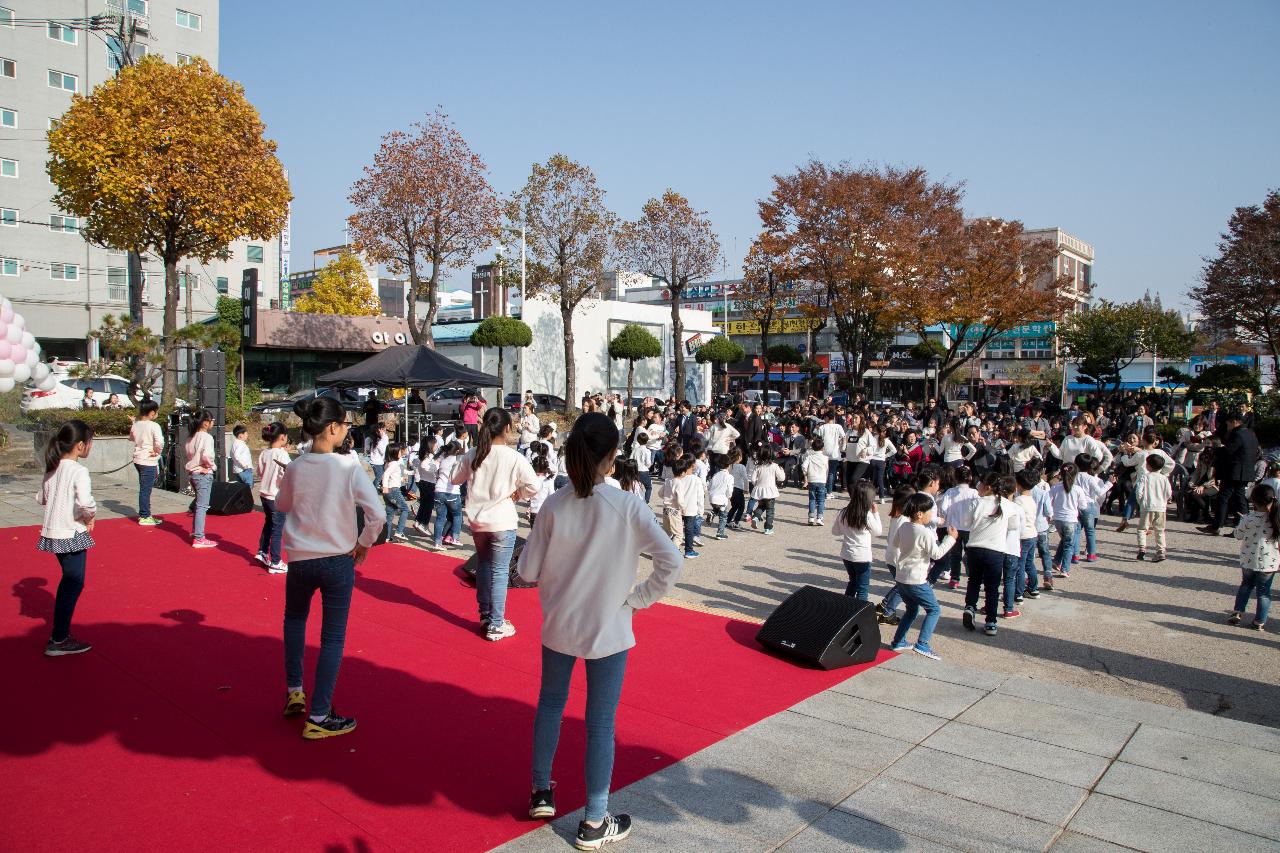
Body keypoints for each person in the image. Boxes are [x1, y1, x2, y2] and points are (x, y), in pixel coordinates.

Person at [518, 413, 682, 849]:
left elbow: (527, 569)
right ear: (611, 458)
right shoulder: (627, 506)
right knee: (600, 722)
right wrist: (638, 598)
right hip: (609, 626)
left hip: (559, 623)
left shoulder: (554, 504)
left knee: (550, 705)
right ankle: (594, 818)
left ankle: (540, 790)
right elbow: (672, 561)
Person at [276, 396, 385, 739]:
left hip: (300, 558)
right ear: (334, 428)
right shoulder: (348, 467)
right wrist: (364, 543)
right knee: (332, 637)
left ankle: (295, 688)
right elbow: (377, 514)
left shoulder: (295, 466)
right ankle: (320, 714)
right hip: (338, 559)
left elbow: (282, 504)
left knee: (294, 620)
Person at [453, 407, 541, 641]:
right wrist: (517, 494)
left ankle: (485, 615)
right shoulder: (513, 457)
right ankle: (496, 623)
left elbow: (454, 478)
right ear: (508, 429)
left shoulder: (474, 453)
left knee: (483, 565)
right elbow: (535, 486)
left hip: (478, 521)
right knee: (500, 571)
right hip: (502, 521)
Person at [36, 420, 97, 657]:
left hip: (53, 531)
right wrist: (89, 515)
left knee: (70, 580)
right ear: (81, 446)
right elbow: (85, 502)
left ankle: (59, 635)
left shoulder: (53, 467)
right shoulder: (78, 471)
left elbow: (41, 497)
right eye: (90, 443)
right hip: (71, 531)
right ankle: (59, 638)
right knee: (73, 582)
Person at [887, 493, 957, 659]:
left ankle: (899, 641)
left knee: (912, 609)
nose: (931, 516)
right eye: (930, 512)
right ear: (920, 513)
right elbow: (937, 554)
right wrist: (950, 538)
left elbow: (896, 543)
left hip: (902, 578)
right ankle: (922, 644)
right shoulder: (924, 532)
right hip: (916, 579)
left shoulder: (904, 526)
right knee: (934, 609)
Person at [955, 473, 1017, 636]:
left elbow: (966, 523)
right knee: (992, 588)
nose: (978, 487)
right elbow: (1014, 525)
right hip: (995, 551)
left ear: (988, 487)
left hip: (974, 548)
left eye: (980, 484)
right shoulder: (1006, 504)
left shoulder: (976, 502)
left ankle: (970, 607)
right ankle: (990, 621)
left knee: (974, 580)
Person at [1200, 410, 1261, 536]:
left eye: (1228, 423)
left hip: (1234, 471)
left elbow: (1229, 451)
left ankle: (1216, 525)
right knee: (1241, 499)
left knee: (1223, 498)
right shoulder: (1251, 433)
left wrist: (1217, 449)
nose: (1227, 426)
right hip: (1246, 471)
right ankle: (1242, 527)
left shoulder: (1237, 434)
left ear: (1234, 422)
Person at [1227, 484, 1279, 631]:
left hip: (1248, 559)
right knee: (1264, 592)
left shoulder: (1248, 518)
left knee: (1246, 585)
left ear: (1253, 501)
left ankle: (1238, 612)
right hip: (1269, 562)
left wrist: (1242, 522)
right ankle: (1259, 621)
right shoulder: (1276, 519)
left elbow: (1238, 535)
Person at [832, 481, 882, 601]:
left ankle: (845, 609)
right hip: (862, 556)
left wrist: (847, 529)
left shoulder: (843, 512)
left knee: (852, 582)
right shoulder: (866, 515)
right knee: (862, 588)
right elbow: (878, 532)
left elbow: (835, 532)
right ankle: (859, 614)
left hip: (847, 554)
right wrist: (876, 513)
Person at [255, 422, 291, 573]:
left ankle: (262, 551)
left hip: (264, 494)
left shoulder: (264, 453)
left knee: (269, 523)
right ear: (282, 437)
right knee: (277, 529)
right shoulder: (282, 454)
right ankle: (275, 561)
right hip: (275, 495)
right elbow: (287, 475)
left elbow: (259, 471)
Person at [185, 409, 217, 549]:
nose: (213, 423)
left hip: (193, 472)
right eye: (211, 421)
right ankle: (199, 537)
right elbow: (207, 456)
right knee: (202, 506)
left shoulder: (191, 437)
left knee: (199, 505)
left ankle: (196, 532)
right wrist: (211, 467)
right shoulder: (206, 437)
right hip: (202, 473)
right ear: (205, 423)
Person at [129, 400, 164, 526]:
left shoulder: (137, 424)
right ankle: (145, 515)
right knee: (145, 489)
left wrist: (133, 423)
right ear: (152, 413)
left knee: (144, 488)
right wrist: (157, 451)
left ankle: (146, 514)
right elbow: (160, 442)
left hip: (138, 459)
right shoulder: (154, 426)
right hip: (148, 460)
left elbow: (132, 438)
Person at [1049, 465, 1086, 579]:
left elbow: (1048, 501)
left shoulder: (1055, 487)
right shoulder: (1078, 489)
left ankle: (1056, 561)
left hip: (1057, 519)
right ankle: (1065, 569)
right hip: (1070, 519)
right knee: (1069, 545)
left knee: (1064, 540)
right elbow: (1083, 506)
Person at [1135, 452, 1172, 562]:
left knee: (1142, 529)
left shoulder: (1145, 477)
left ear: (1149, 465)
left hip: (1147, 507)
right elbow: (1168, 493)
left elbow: (1139, 492)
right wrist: (1163, 501)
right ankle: (1161, 551)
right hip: (1160, 507)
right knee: (1160, 530)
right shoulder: (1164, 478)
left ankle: (1142, 548)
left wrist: (1141, 502)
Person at [430, 441, 465, 550]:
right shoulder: (458, 460)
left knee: (440, 518)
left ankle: (437, 542)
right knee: (457, 515)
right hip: (452, 491)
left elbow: (436, 473)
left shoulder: (443, 458)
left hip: (439, 490)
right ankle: (454, 537)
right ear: (457, 451)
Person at [670, 456, 704, 559]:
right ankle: (689, 551)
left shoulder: (678, 478)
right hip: (691, 509)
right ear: (693, 465)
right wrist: (700, 510)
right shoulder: (696, 479)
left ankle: (673, 547)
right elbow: (700, 496)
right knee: (689, 531)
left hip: (677, 508)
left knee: (675, 530)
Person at [748, 447, 785, 535]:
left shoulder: (758, 466)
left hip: (760, 490)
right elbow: (781, 478)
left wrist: (757, 484)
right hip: (770, 491)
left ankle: (756, 516)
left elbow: (753, 479)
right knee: (770, 510)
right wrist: (782, 471)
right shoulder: (774, 466)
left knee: (762, 506)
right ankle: (768, 528)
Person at [381, 444, 410, 542]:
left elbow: (392, 476)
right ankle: (399, 531)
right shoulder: (394, 463)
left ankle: (387, 537)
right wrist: (385, 486)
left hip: (389, 491)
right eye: (399, 451)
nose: (400, 453)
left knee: (390, 514)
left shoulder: (388, 463)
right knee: (405, 509)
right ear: (394, 453)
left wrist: (402, 478)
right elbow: (386, 475)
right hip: (393, 490)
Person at [412, 436, 439, 532]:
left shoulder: (423, 455)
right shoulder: (429, 457)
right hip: (429, 484)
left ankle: (418, 522)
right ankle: (424, 524)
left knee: (423, 504)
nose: (437, 446)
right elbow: (429, 468)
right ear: (431, 445)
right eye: (436, 444)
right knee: (429, 505)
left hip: (423, 482)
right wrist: (437, 464)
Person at [815, 410, 846, 493]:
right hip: (834, 452)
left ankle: (822, 490)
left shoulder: (822, 427)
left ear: (827, 418)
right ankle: (829, 491)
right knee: (832, 472)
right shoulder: (838, 426)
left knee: (823, 471)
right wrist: (843, 448)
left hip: (824, 452)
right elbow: (844, 437)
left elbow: (818, 439)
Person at [803, 437, 830, 525]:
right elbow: (827, 469)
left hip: (812, 480)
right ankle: (819, 518)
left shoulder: (810, 457)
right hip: (821, 480)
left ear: (813, 448)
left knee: (812, 499)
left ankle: (811, 517)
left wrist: (806, 473)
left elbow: (804, 466)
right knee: (821, 500)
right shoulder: (825, 458)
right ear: (822, 448)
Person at [725, 448, 748, 531]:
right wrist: (746, 489)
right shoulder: (741, 467)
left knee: (734, 506)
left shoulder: (728, 466)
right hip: (738, 490)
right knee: (741, 507)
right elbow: (745, 479)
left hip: (731, 490)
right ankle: (736, 521)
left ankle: (727, 521)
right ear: (739, 457)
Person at [630, 432, 653, 503]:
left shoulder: (635, 450)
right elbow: (648, 463)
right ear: (647, 440)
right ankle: (646, 501)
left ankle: (634, 500)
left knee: (634, 487)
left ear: (638, 440)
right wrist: (649, 466)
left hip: (635, 471)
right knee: (648, 487)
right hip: (644, 471)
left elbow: (630, 459)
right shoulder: (647, 451)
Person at [364, 422, 388, 486]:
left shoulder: (384, 437)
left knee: (382, 476)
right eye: (382, 429)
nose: (384, 430)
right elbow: (383, 451)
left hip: (382, 461)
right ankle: (373, 489)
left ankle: (379, 488)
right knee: (379, 476)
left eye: (384, 428)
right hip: (377, 462)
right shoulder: (374, 440)